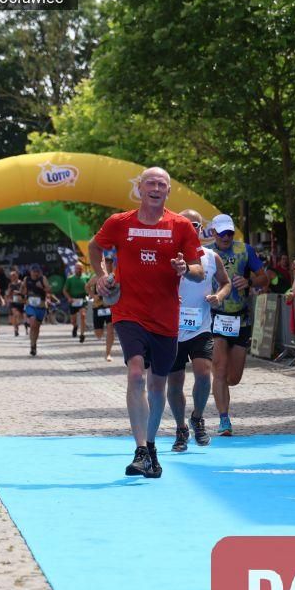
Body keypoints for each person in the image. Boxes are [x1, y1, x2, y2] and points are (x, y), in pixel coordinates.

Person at [89, 167, 204, 478]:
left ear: (168, 191)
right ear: (139, 189)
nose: (156, 188)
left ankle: (150, 447)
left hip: (165, 316)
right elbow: (94, 247)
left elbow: (199, 270)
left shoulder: (181, 225)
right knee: (137, 373)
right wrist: (102, 276)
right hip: (129, 311)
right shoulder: (119, 222)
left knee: (157, 385)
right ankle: (140, 449)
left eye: (161, 184)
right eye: (150, 183)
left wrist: (185, 268)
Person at [167, 210, 232, 452]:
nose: (190, 227)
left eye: (194, 224)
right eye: (184, 223)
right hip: (171, 328)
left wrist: (219, 296)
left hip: (200, 327)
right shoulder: (167, 255)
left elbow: (225, 282)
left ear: (201, 228)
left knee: (204, 374)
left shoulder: (211, 257)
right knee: (175, 382)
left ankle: (197, 417)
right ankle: (181, 427)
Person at [205, 213, 269, 436]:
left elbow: (265, 278)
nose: (226, 237)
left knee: (233, 377)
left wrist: (249, 281)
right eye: (222, 233)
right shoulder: (206, 253)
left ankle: (221, 384)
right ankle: (224, 420)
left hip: (240, 319)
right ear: (214, 233)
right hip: (215, 316)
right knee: (220, 369)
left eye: (230, 233)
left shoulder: (245, 250)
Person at [87, 257, 117, 361]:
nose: (108, 265)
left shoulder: (114, 276)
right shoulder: (97, 277)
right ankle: (103, 332)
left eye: (110, 263)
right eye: (106, 263)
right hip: (98, 307)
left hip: (110, 307)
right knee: (98, 334)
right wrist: (93, 296)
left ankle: (108, 354)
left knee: (110, 329)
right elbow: (87, 286)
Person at [22, 263, 55, 356]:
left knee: (37, 327)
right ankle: (32, 345)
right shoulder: (26, 279)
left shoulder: (42, 279)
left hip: (41, 307)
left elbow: (49, 290)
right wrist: (21, 294)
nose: (35, 273)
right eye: (34, 271)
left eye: (37, 271)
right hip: (30, 306)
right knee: (32, 324)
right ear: (30, 272)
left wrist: (42, 287)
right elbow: (23, 290)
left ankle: (34, 344)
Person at [63, 263, 90, 342]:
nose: (79, 270)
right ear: (74, 269)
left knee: (83, 315)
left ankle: (82, 334)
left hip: (82, 300)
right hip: (73, 300)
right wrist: (69, 298)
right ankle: (75, 326)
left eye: (80, 268)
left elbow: (90, 288)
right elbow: (64, 290)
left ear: (83, 269)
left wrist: (89, 294)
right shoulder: (70, 279)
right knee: (73, 320)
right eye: (77, 268)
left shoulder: (86, 277)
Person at [6, 270, 26, 336]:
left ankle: (23, 326)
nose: (13, 277)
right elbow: (8, 293)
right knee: (15, 314)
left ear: (17, 275)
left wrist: (19, 293)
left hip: (21, 302)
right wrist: (8, 298)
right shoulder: (10, 285)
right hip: (13, 302)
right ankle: (15, 329)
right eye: (11, 276)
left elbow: (25, 292)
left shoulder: (22, 283)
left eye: (14, 275)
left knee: (21, 316)